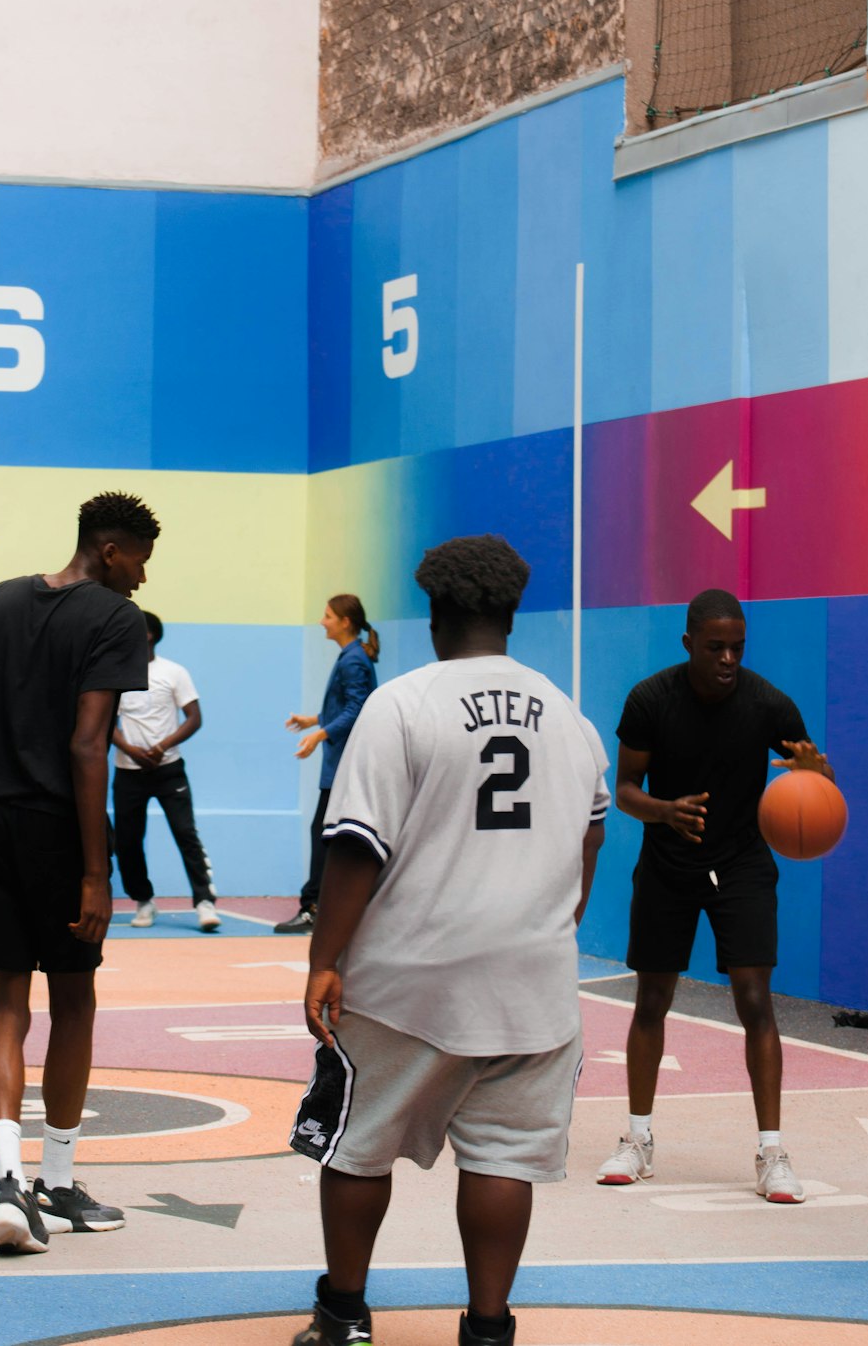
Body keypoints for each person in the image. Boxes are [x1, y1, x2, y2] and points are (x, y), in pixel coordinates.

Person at [288, 536, 609, 1346]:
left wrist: (325, 959)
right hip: (533, 979)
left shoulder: (404, 703)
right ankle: (489, 1329)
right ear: (509, 614)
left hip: (410, 980)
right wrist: (550, 931)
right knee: (503, 1158)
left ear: (434, 614)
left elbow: (356, 845)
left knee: (358, 1144)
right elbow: (589, 843)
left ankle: (343, 1317)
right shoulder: (569, 718)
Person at [0, 490, 160, 1255]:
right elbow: (86, 747)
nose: (140, 576)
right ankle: (59, 1183)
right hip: (59, 832)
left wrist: (6, 771)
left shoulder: (0, 600)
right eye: (138, 559)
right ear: (111, 550)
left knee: (7, 1010)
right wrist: (95, 875)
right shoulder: (115, 620)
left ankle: (8, 1183)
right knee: (74, 1006)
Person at [596, 588, 834, 1205]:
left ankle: (772, 1153)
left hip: (742, 864)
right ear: (689, 645)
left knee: (756, 1000)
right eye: (715, 647)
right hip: (669, 863)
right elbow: (624, 789)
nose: (728, 658)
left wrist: (817, 775)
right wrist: (664, 811)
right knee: (652, 999)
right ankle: (638, 1139)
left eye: (737, 647)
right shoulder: (651, 699)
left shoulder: (767, 704)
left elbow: (815, 780)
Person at [275, 595, 379, 936]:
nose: (322, 621)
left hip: (344, 765)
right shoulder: (353, 656)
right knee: (329, 835)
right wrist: (313, 720)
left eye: (328, 615)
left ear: (345, 621)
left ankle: (313, 908)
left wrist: (320, 734)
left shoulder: (353, 661)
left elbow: (357, 709)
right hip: (341, 764)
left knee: (325, 835)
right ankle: (323, 905)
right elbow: (345, 708)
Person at [111, 611, 220, 932]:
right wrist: (131, 750)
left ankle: (204, 902)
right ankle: (144, 901)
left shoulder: (173, 672)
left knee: (185, 833)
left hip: (168, 770)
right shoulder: (116, 673)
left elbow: (194, 718)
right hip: (129, 771)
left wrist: (161, 747)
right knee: (127, 841)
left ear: (148, 636)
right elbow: (107, 724)